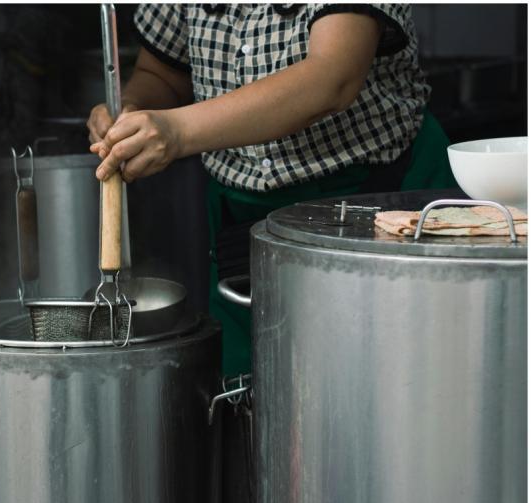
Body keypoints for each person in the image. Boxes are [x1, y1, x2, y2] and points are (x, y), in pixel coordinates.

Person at [87, 4, 456, 377]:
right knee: (257, 395)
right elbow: (162, 72)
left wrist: (176, 130)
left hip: (375, 203)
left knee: (387, 384)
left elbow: (332, 78)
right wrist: (131, 112)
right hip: (243, 220)